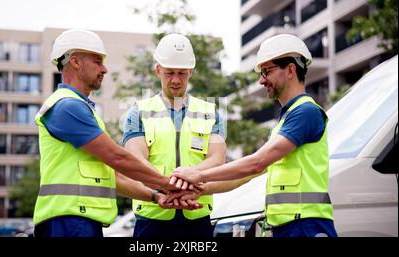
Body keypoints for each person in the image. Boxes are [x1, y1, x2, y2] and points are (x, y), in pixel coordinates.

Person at [171, 34, 338, 238]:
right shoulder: (287, 119)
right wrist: (202, 190)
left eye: (266, 71)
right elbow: (251, 173)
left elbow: (256, 163)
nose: (261, 80)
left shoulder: (305, 113)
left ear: (291, 70)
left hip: (306, 226)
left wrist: (198, 175)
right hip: (291, 226)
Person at [32, 29, 185, 237]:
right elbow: (117, 158)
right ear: (75, 62)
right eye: (97, 61)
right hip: (68, 222)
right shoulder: (67, 107)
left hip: (77, 220)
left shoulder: (81, 108)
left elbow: (114, 176)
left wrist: (155, 196)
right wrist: (167, 184)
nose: (104, 69)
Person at [122, 33, 229, 237]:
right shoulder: (139, 112)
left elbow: (217, 159)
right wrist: (167, 185)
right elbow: (135, 161)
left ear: (191, 72)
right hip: (153, 216)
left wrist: (186, 179)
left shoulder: (210, 112)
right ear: (158, 70)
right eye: (170, 73)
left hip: (197, 215)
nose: (176, 80)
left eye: (182, 73)